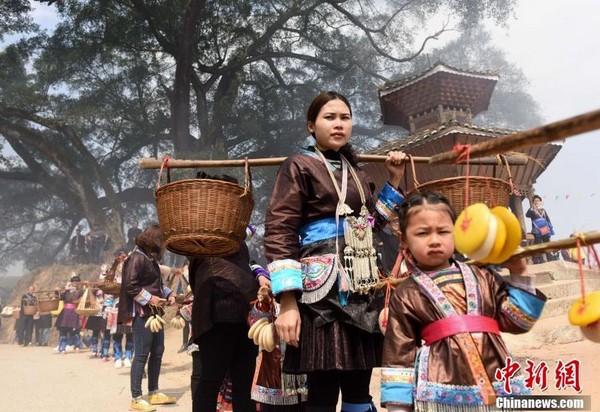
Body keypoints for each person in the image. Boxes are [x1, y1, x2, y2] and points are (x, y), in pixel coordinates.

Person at [264, 91, 407, 411]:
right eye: (330, 117)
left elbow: (372, 223)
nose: (339, 124)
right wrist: (287, 301)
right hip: (321, 293)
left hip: (362, 284)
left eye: (345, 117)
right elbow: (279, 230)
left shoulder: (357, 172)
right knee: (323, 388)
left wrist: (394, 181)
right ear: (311, 125)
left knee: (359, 388)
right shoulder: (298, 166)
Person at [380, 191, 548, 411]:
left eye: (443, 232)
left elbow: (519, 322)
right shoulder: (406, 294)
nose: (434, 241)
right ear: (404, 239)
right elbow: (399, 354)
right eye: (422, 233)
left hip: (498, 376)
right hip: (442, 389)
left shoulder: (484, 277)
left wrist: (519, 272)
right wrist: (398, 408)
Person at [188, 171, 268, 412]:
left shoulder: (238, 238)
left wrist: (261, 275)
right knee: (211, 378)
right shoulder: (201, 233)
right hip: (216, 316)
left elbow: (247, 263)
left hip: (244, 316)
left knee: (243, 382)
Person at [118, 223, 177, 412]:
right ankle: (136, 397)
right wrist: (151, 299)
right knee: (142, 353)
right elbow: (130, 285)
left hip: (155, 313)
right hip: (142, 313)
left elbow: (156, 284)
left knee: (158, 350)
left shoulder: (150, 259)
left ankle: (153, 391)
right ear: (155, 240)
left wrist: (169, 294)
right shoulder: (136, 258)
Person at [526, 195, 556, 263]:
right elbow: (527, 215)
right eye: (535, 201)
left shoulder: (543, 210)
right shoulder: (532, 210)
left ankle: (549, 257)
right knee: (538, 244)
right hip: (536, 229)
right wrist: (532, 207)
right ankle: (541, 259)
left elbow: (547, 219)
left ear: (540, 202)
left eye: (538, 200)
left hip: (545, 228)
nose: (537, 202)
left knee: (547, 243)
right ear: (533, 202)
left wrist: (550, 227)